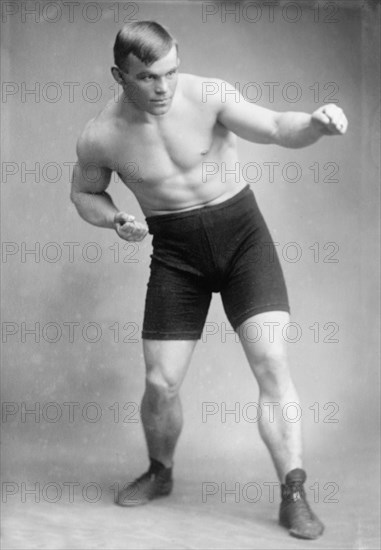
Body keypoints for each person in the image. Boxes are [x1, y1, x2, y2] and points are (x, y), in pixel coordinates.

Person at [70, 21, 348, 540]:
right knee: (160, 383)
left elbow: (275, 127)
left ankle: (293, 491)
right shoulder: (100, 135)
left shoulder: (208, 95)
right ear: (119, 75)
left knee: (271, 360)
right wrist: (113, 219)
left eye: (171, 72)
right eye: (148, 77)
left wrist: (314, 123)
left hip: (243, 241)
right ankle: (160, 471)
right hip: (177, 256)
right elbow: (85, 194)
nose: (163, 88)